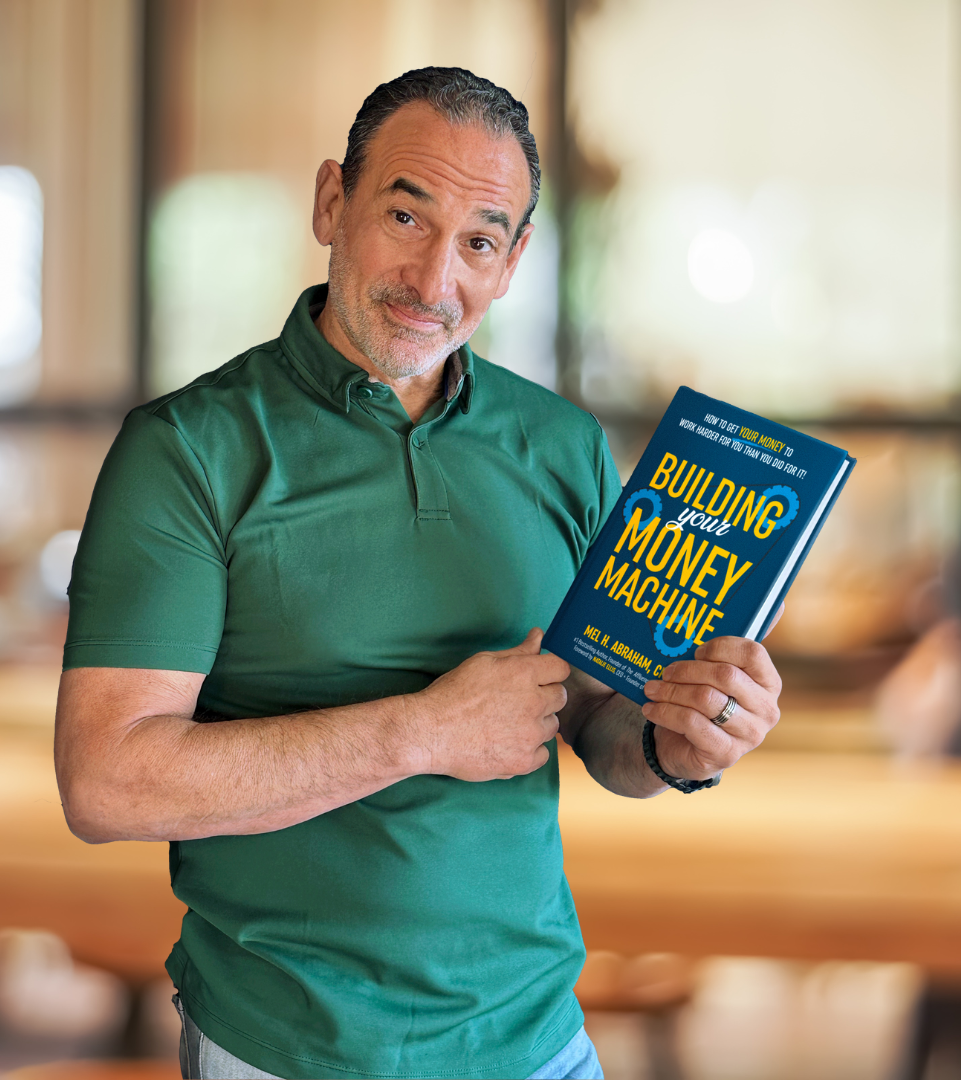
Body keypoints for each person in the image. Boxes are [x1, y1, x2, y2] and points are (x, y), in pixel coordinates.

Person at [55, 67, 782, 1080]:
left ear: (514, 260)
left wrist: (678, 742)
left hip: (539, 1045)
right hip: (284, 1051)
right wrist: (423, 732)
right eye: (406, 215)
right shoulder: (187, 451)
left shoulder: (563, 445)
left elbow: (593, 720)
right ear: (332, 203)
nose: (435, 279)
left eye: (480, 240)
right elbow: (107, 784)